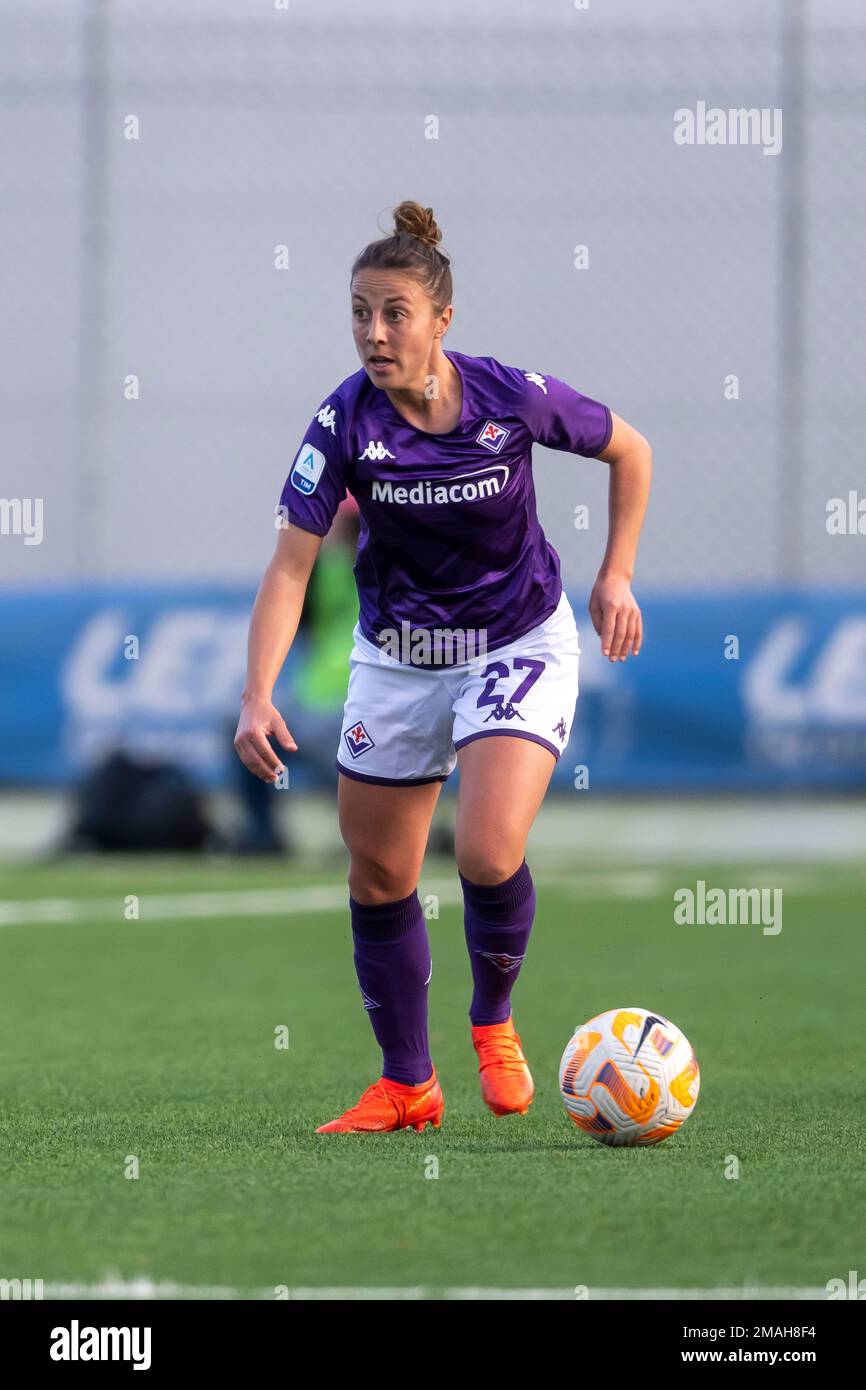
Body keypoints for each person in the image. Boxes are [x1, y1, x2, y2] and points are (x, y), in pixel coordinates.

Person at [234, 200, 651, 1134]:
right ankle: (407, 1083)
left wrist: (615, 572)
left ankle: (494, 1021)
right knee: (378, 873)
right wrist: (258, 691)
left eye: (393, 313)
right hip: (400, 656)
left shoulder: (511, 396)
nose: (373, 334)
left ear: (441, 321)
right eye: (358, 313)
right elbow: (291, 565)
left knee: (486, 851)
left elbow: (632, 448)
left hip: (517, 640)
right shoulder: (341, 421)